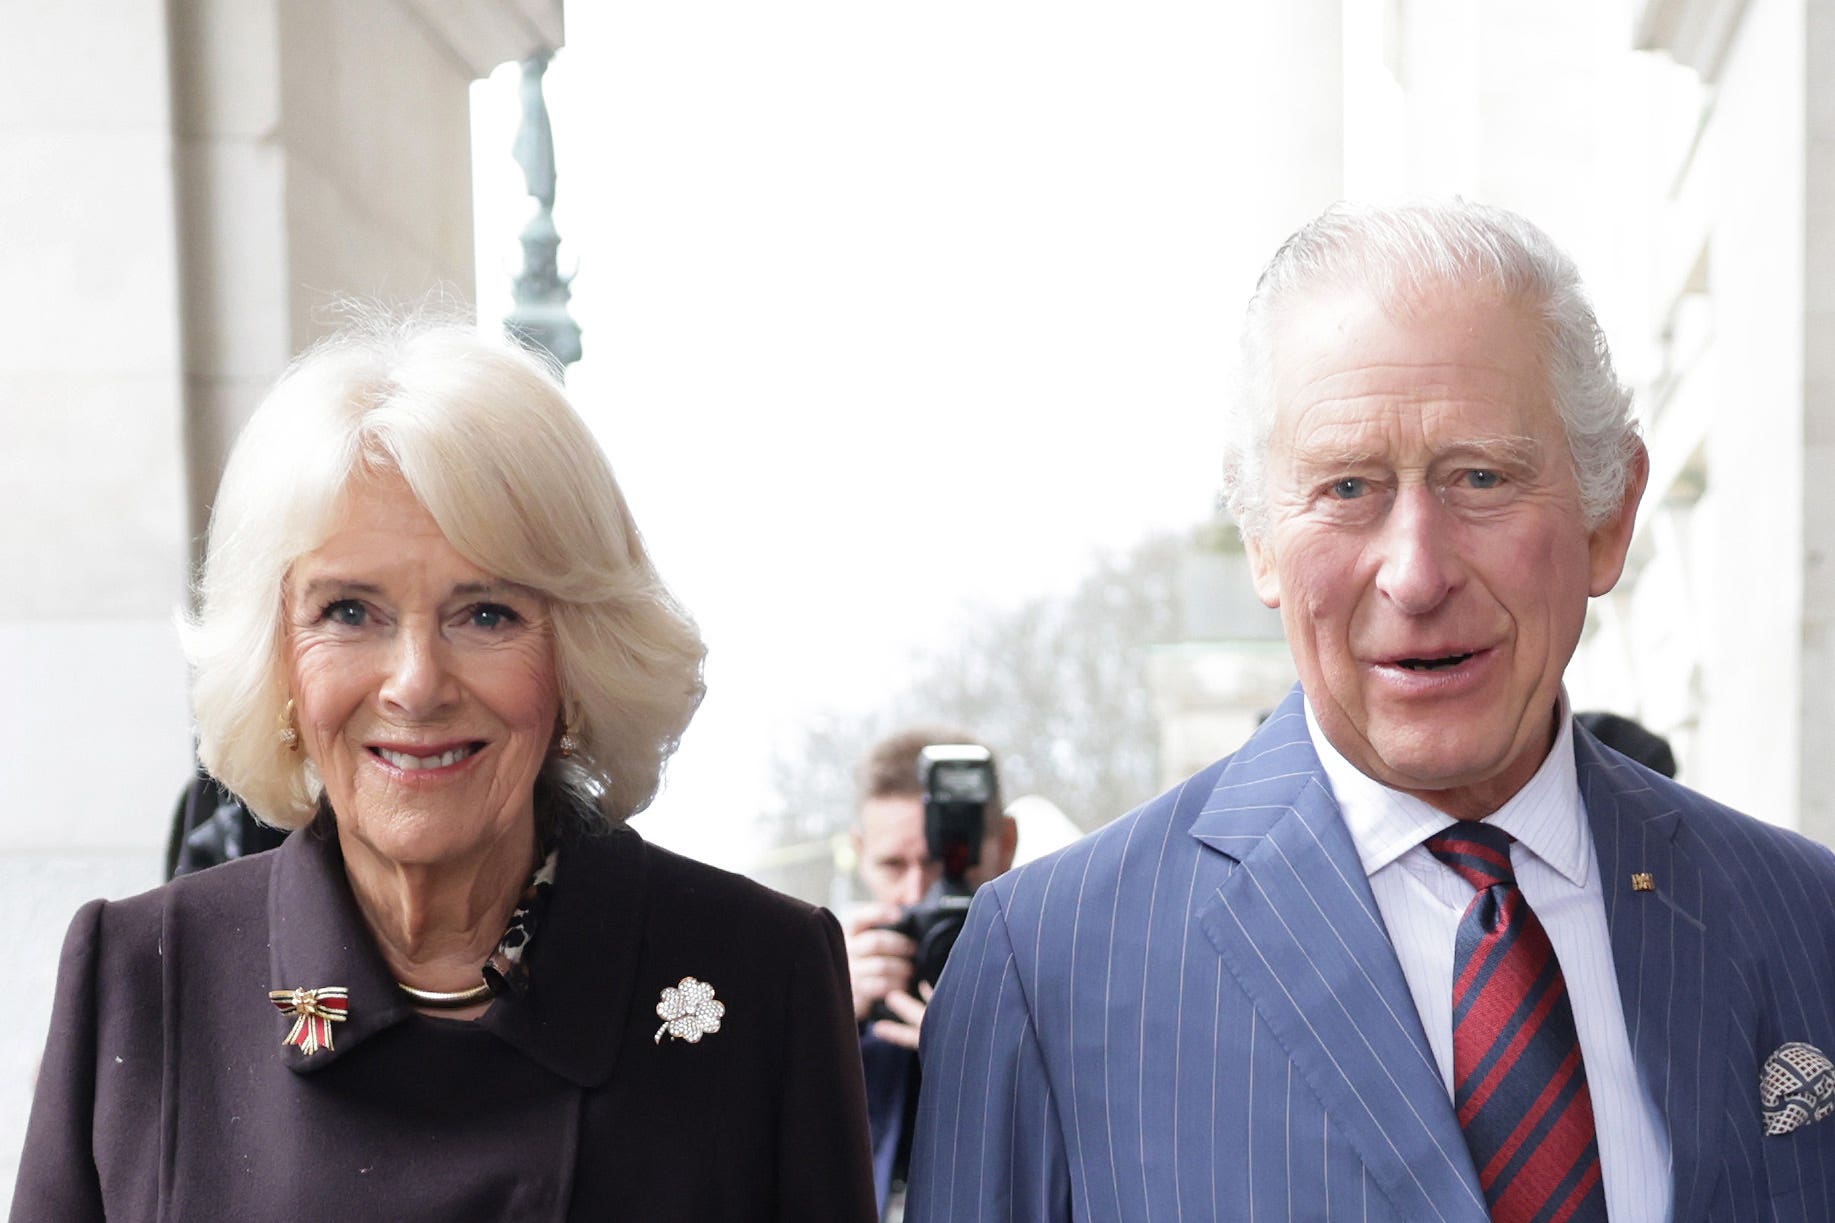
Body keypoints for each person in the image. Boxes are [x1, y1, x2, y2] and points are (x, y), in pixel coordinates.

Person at [907, 200, 1835, 1222]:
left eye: (1479, 477)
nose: (1415, 570)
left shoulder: (1803, 920)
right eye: (1346, 487)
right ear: (1261, 540)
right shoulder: (1047, 967)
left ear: (1607, 517)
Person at [11, 318, 877, 1221]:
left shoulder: (755, 974)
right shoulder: (142, 975)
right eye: (349, 610)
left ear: (578, 659)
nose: (415, 683)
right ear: (276, 663)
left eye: (488, 614)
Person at [844, 728, 1017, 1216]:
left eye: (944, 865)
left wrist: (984, 1051)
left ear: (1005, 845)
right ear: (860, 854)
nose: (919, 892)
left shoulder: (1059, 984)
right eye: (893, 865)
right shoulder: (833, 988)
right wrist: (828, 1020)